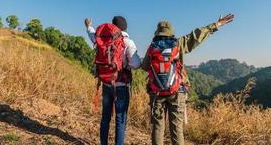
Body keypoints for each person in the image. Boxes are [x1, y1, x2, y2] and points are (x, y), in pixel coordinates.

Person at [142, 14, 234, 145]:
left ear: (158, 33)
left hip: (156, 92)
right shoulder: (179, 43)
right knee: (176, 129)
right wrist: (216, 25)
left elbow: (145, 66)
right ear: (170, 33)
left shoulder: (152, 47)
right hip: (176, 91)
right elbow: (197, 35)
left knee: (157, 127)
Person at [84, 16, 141, 145]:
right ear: (125, 28)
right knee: (120, 120)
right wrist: (126, 64)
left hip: (106, 83)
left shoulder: (103, 38)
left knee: (105, 117)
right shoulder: (128, 42)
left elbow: (92, 35)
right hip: (121, 86)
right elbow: (136, 64)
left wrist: (88, 26)